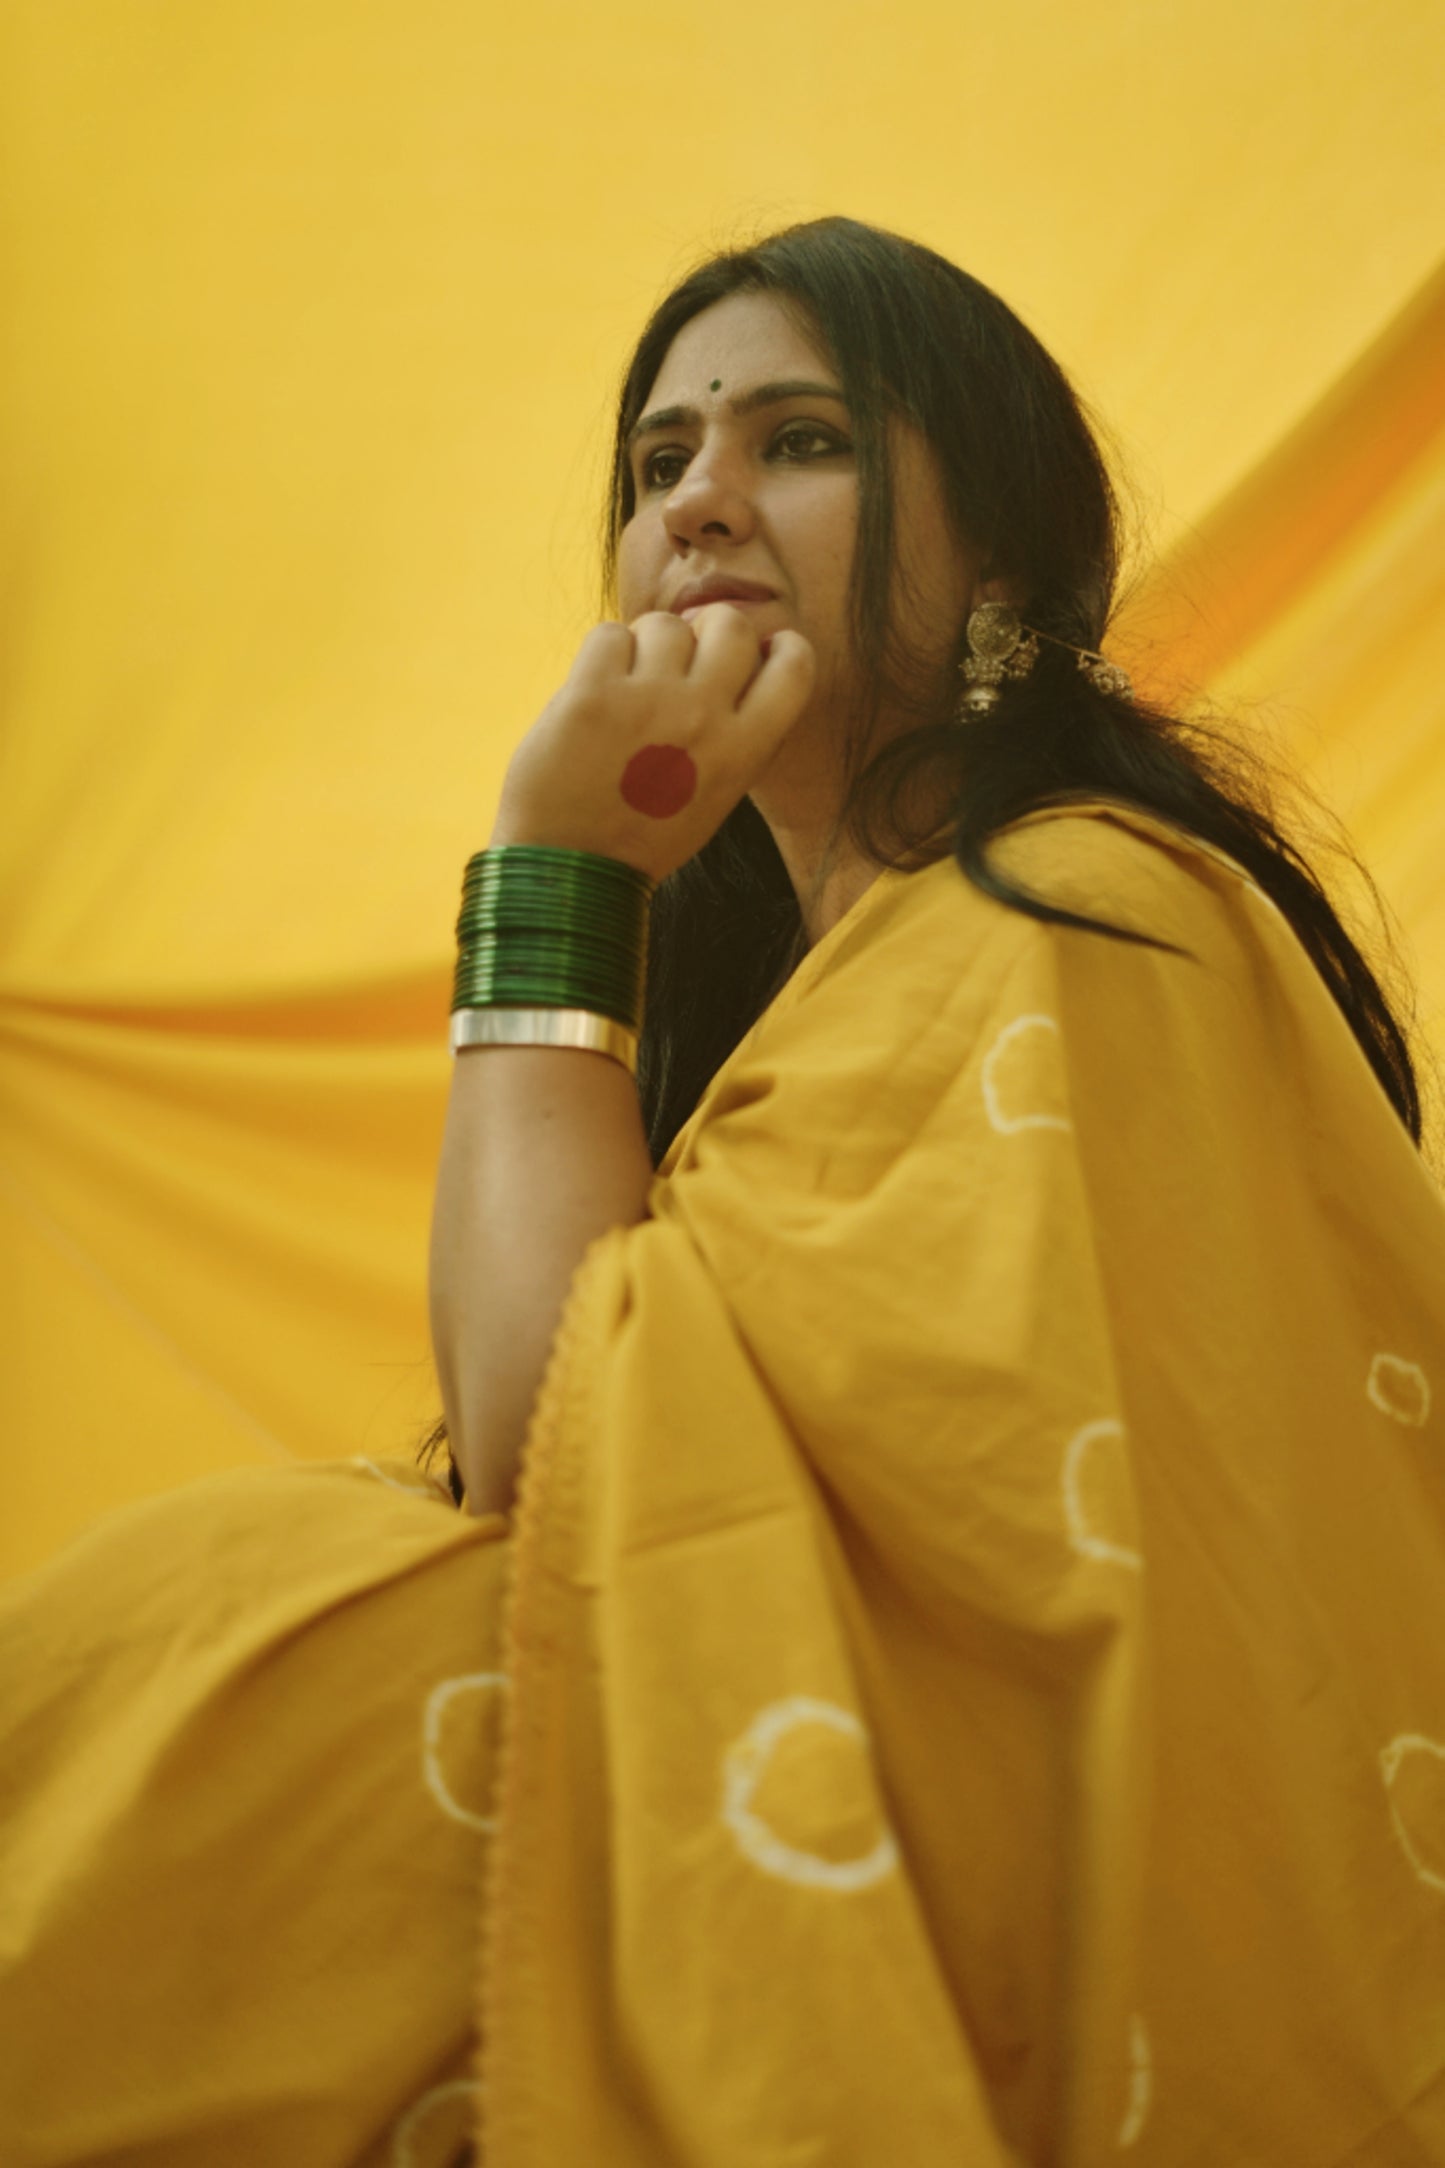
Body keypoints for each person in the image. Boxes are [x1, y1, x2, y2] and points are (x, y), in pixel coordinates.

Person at [4, 214, 1445, 2166]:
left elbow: (565, 1452)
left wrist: (552, 878)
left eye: (800, 438)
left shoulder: (1093, 918)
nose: (700, 500)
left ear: (1009, 561)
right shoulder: (821, 999)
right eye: (657, 461)